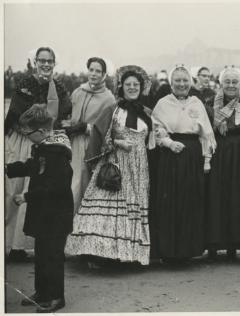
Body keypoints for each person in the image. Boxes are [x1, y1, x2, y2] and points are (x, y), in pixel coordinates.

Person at [65, 66, 153, 266]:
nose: (132, 88)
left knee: (132, 208)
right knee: (108, 206)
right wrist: (117, 143)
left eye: (136, 85)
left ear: (141, 87)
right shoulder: (113, 110)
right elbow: (98, 134)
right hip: (115, 165)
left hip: (139, 168)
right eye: (128, 84)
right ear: (121, 87)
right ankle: (99, 255)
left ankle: (128, 254)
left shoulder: (147, 113)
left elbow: (154, 138)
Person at [4, 47, 72, 262]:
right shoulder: (25, 84)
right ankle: (6, 241)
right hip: (22, 138)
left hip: (44, 141)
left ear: (54, 63)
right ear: (35, 62)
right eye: (42, 60)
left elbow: (64, 112)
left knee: (31, 189)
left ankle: (19, 246)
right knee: (12, 190)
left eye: (49, 61)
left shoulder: (59, 87)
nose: (45, 64)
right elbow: (19, 114)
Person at [5, 104, 73, 313]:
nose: (26, 137)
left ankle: (56, 297)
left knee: (52, 256)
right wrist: (8, 168)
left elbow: (58, 186)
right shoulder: (43, 147)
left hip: (56, 214)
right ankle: (42, 292)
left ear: (42, 131)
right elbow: (32, 167)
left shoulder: (57, 152)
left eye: (28, 133)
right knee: (41, 254)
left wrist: (26, 196)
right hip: (44, 213)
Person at [150, 65, 216, 262]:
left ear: (191, 82)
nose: (181, 84)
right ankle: (169, 251)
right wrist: (169, 143)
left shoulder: (197, 103)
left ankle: (188, 250)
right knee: (169, 202)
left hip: (192, 156)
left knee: (191, 201)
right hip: (170, 155)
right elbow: (156, 129)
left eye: (185, 80)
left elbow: (206, 134)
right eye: (177, 80)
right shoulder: (162, 103)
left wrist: (207, 159)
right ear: (171, 83)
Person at [206, 67, 240, 260]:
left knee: (237, 195)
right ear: (221, 84)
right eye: (227, 81)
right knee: (215, 195)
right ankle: (213, 243)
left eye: (234, 82)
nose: (230, 85)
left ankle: (233, 244)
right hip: (217, 152)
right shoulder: (209, 103)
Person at [65, 57, 116, 214]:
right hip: (71, 143)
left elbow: (107, 129)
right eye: (91, 70)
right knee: (68, 183)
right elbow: (69, 115)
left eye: (98, 71)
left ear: (104, 74)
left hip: (91, 145)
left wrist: (85, 128)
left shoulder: (108, 98)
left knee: (81, 186)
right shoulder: (78, 92)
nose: (93, 74)